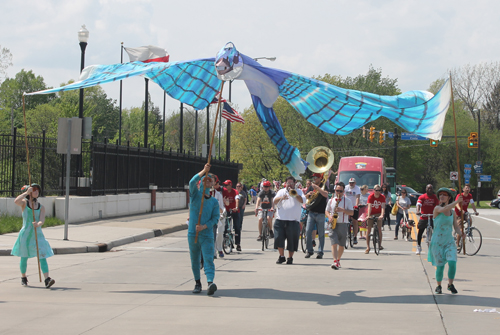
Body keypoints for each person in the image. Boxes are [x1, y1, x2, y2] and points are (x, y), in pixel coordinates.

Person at [11, 183, 55, 288]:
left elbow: (42, 220)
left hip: (37, 233)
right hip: (26, 234)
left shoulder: (41, 207)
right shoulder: (24, 204)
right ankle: (23, 277)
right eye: (34, 190)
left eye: (37, 190)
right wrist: (26, 192)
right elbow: (16, 201)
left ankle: (47, 279)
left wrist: (38, 224)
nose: (36, 192)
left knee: (42, 256)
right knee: (24, 256)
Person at [187, 164, 220, 296]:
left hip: (206, 235)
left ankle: (210, 283)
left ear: (212, 184)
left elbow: (215, 218)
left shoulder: (214, 202)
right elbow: (191, 182)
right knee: (194, 259)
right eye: (205, 179)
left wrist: (204, 227)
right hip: (193, 233)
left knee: (208, 259)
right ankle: (197, 282)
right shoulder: (195, 195)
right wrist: (203, 171)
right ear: (201, 182)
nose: (207, 180)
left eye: (210, 180)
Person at [428, 188, 463, 294]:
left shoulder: (452, 213)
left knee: (452, 262)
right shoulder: (437, 208)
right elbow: (445, 208)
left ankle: (450, 284)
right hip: (437, 242)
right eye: (440, 195)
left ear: (449, 197)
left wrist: (461, 233)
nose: (442, 196)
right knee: (440, 266)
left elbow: (455, 227)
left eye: (444, 195)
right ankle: (438, 285)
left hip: (449, 241)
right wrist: (457, 202)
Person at [273, 176, 306, 264]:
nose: (290, 185)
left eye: (291, 183)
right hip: (280, 219)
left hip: (293, 220)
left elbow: (303, 201)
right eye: (288, 183)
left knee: (292, 241)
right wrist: (282, 198)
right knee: (279, 238)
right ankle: (281, 256)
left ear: (295, 183)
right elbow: (274, 201)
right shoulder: (281, 191)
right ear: (285, 183)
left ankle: (290, 257)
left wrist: (295, 195)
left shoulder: (299, 192)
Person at [326, 182, 354, 269]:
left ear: (343, 191)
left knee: (341, 245)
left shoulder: (348, 201)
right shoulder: (331, 201)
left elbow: (352, 213)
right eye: (337, 191)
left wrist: (343, 210)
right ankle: (335, 261)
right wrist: (330, 217)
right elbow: (326, 211)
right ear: (335, 190)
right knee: (334, 243)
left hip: (343, 223)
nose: (339, 193)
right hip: (333, 223)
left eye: (340, 191)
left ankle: (338, 259)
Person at [304, 173, 329, 259]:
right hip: (311, 212)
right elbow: (306, 197)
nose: (314, 179)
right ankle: (309, 250)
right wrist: (308, 194)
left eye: (316, 177)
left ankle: (320, 252)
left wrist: (318, 188)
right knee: (308, 231)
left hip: (321, 213)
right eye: (313, 177)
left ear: (320, 178)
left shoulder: (323, 185)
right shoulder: (311, 186)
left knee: (321, 234)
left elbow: (326, 195)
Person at [416, 184, 439, 255]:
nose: (430, 190)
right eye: (428, 188)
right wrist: (418, 211)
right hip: (424, 217)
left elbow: (438, 205)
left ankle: (434, 247)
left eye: (431, 189)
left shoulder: (435, 197)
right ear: (426, 189)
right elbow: (418, 204)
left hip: (432, 217)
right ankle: (418, 246)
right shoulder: (422, 197)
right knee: (420, 232)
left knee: (435, 232)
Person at [365, 184, 385, 254]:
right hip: (371, 213)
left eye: (379, 190)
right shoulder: (371, 196)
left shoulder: (382, 197)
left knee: (379, 228)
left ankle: (379, 245)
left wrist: (382, 215)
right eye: (376, 190)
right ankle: (368, 247)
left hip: (379, 213)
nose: (378, 192)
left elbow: (383, 207)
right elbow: (369, 206)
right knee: (369, 229)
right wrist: (369, 215)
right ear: (374, 190)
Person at [222, 180, 241, 251]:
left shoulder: (235, 191)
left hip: (235, 210)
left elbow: (237, 199)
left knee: (237, 227)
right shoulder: (224, 191)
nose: (225, 187)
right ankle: (224, 242)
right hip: (227, 210)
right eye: (224, 185)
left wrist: (236, 207)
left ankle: (238, 244)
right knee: (226, 226)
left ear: (230, 185)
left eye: (226, 185)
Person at [211, 176, 226, 259]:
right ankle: (212, 252)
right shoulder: (201, 194)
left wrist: (222, 211)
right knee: (211, 236)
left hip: (217, 217)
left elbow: (221, 208)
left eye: (212, 181)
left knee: (219, 233)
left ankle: (219, 248)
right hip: (206, 218)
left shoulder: (218, 194)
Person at [344, 177, 361, 245]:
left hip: (354, 205)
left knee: (355, 221)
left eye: (352, 183)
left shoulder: (357, 188)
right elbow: (343, 195)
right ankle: (345, 234)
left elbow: (357, 197)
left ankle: (355, 237)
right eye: (350, 183)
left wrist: (356, 205)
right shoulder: (346, 187)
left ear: (355, 183)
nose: (351, 184)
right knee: (345, 220)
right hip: (347, 206)